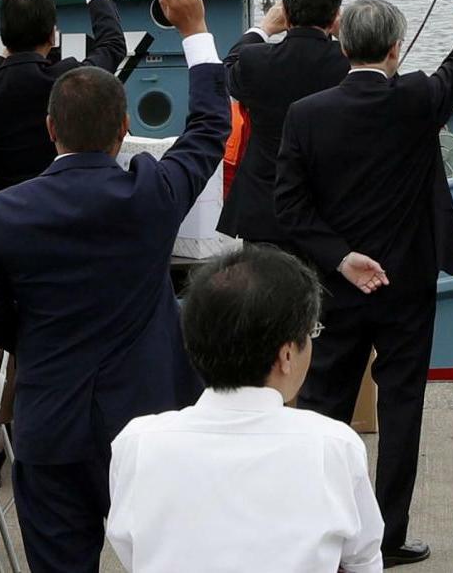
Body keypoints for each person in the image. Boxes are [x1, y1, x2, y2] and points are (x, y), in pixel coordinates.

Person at [0, 0, 229, 573]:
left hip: (51, 422)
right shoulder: (151, 193)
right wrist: (195, 30)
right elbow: (211, 126)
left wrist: (36, 335)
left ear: (51, 129)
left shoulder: (7, 212)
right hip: (149, 423)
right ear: (125, 129)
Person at [275, 0, 453, 568]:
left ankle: (323, 533)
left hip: (335, 288)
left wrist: (341, 258)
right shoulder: (419, 99)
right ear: (395, 49)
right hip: (407, 283)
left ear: (343, 44)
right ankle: (387, 536)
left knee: (325, 410)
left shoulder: (306, 116)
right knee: (402, 409)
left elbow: (291, 209)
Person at [106, 244, 383, 573]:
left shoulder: (137, 442)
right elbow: (362, 560)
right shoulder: (334, 445)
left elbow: (132, 549)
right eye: (310, 333)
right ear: (286, 356)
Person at [0, 0, 129, 198]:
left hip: (4, 211)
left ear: (2, 34)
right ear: (53, 35)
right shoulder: (68, 79)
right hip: (62, 205)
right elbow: (112, 46)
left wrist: (4, 54)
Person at [223, 0, 349, 247]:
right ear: (335, 17)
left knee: (263, 289)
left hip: (264, 207)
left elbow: (228, 70)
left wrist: (262, 29)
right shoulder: (348, 64)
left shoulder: (256, 60)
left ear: (287, 16)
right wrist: (346, 34)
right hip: (329, 208)